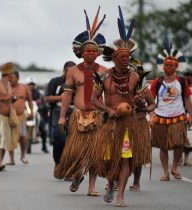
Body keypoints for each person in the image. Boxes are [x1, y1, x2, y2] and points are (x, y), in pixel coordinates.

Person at [91, 6, 154, 207]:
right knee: (109, 160)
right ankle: (111, 185)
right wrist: (108, 110)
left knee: (126, 160)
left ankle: (121, 195)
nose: (126, 59)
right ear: (115, 57)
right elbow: (94, 99)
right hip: (109, 124)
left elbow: (152, 104)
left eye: (128, 56)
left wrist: (142, 107)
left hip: (128, 126)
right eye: (123, 57)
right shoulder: (104, 76)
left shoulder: (136, 77)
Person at [57, 8, 107, 196]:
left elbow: (108, 95)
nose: (91, 54)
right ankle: (78, 174)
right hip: (78, 115)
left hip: (97, 116)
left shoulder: (104, 71)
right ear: (82, 52)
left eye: (94, 51)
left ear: (98, 53)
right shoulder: (73, 72)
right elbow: (67, 95)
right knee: (77, 152)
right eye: (88, 51)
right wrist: (62, 117)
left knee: (95, 153)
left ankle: (92, 187)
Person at [149, 35, 192, 181]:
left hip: (178, 116)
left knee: (179, 144)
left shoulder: (181, 81)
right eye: (166, 65)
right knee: (163, 146)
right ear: (163, 66)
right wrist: (152, 115)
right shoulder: (157, 81)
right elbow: (150, 99)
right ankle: (166, 172)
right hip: (161, 117)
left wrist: (190, 115)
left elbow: (187, 98)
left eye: (172, 65)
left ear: (176, 66)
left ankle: (174, 167)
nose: (169, 67)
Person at [44, 61, 76, 179]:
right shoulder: (55, 82)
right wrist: (61, 97)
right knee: (59, 137)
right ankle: (58, 161)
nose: (71, 75)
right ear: (64, 71)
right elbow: (47, 98)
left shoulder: (78, 82)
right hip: (57, 113)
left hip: (74, 112)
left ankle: (69, 170)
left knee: (72, 141)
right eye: (68, 72)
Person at [128, 58, 156, 191]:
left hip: (140, 124)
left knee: (137, 155)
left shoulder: (144, 90)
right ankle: (115, 180)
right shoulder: (119, 88)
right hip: (123, 124)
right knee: (120, 154)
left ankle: (136, 182)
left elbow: (152, 104)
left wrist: (144, 109)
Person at [8, 71, 33, 165]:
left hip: (21, 116)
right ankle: (11, 159)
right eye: (9, 78)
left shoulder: (24, 87)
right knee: (10, 137)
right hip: (10, 116)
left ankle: (23, 156)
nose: (11, 80)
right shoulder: (7, 88)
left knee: (23, 136)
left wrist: (31, 112)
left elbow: (30, 101)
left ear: (17, 78)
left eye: (13, 78)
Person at [0, 62, 14, 171]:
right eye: (11, 73)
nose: (13, 75)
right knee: (1, 139)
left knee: (6, 141)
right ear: (8, 74)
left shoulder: (9, 84)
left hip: (8, 116)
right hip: (0, 115)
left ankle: (0, 162)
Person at [182, 70, 192, 166]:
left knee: (190, 139)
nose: (188, 78)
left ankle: (186, 159)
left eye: (189, 76)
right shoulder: (179, 88)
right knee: (180, 138)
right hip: (181, 115)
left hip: (190, 115)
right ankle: (180, 158)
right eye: (186, 76)